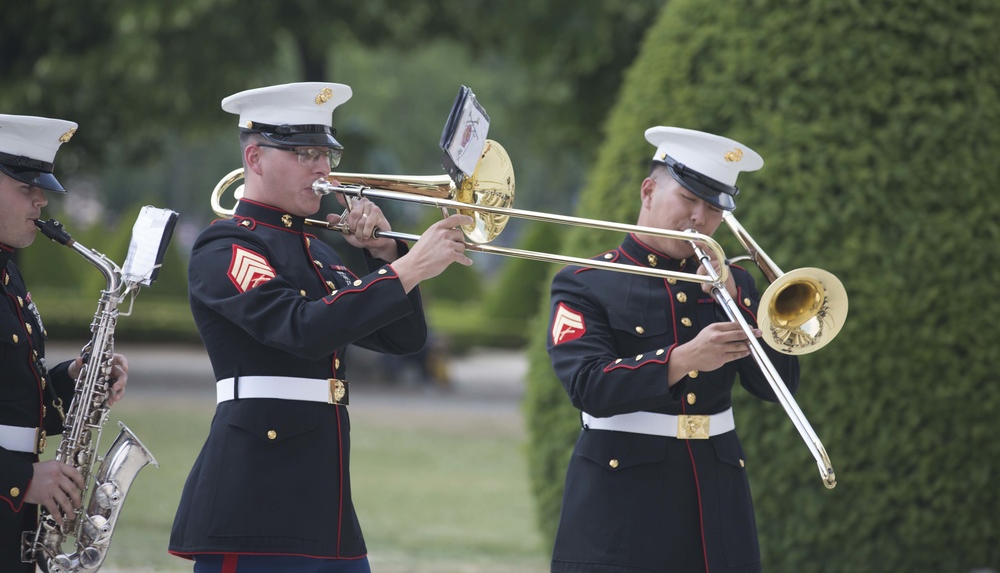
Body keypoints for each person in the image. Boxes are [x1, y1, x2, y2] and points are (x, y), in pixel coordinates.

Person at [169, 82, 474, 572]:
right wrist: (409, 269)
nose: (323, 168)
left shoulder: (319, 251)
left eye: (325, 153)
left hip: (326, 506)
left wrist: (387, 255)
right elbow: (301, 329)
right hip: (254, 501)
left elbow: (403, 339)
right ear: (255, 157)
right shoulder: (226, 246)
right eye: (303, 153)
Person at [546, 126, 800, 573]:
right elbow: (588, 387)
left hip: (717, 496)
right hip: (621, 502)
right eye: (688, 198)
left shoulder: (736, 284)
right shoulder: (585, 282)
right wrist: (681, 360)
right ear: (648, 191)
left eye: (713, 207)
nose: (700, 218)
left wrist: (739, 300)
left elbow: (780, 386)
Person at [0, 114, 129, 572]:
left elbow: (14, 400)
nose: (41, 201)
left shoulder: (8, 270)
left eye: (43, 188)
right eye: (25, 187)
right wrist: (19, 478)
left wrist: (77, 379)